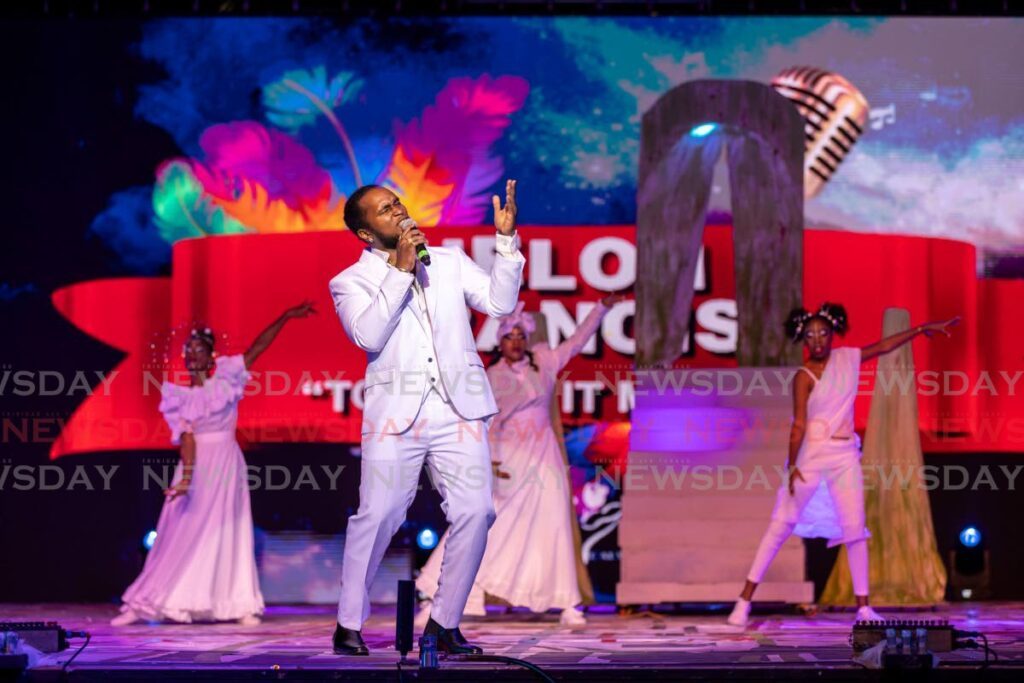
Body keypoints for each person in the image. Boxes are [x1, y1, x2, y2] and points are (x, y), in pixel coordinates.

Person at [328, 180, 525, 655]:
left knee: (477, 512)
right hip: (395, 414)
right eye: (383, 210)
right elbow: (369, 335)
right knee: (380, 514)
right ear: (365, 234)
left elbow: (500, 304)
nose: (397, 212)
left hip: (458, 407)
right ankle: (348, 622)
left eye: (396, 203)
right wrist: (401, 269)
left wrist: (505, 243)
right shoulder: (349, 281)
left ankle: (442, 624)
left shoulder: (451, 261)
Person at [727, 303, 959, 627]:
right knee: (781, 525)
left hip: (845, 455)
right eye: (811, 335)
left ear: (833, 334)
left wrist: (920, 329)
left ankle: (864, 608)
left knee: (854, 529)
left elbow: (883, 346)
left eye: (823, 333)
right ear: (803, 340)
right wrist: (792, 467)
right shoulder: (803, 376)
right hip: (810, 455)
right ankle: (744, 601)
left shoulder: (847, 359)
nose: (818, 339)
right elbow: (798, 425)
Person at [415, 295, 623, 627]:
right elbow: (483, 423)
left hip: (544, 460)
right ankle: (435, 594)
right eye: (509, 337)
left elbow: (578, 340)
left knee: (553, 528)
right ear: (501, 341)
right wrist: (487, 462)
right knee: (484, 528)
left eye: (520, 336)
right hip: (507, 462)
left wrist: (601, 307)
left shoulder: (546, 361)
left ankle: (568, 602)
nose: (516, 342)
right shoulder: (491, 374)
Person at [112, 302, 316, 626]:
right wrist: (187, 478)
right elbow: (188, 438)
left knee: (227, 531)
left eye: (199, 349)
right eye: (188, 350)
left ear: (211, 356)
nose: (193, 355)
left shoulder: (226, 379)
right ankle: (146, 602)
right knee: (180, 531)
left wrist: (285, 317)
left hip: (226, 462)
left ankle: (237, 604)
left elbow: (257, 348)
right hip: (194, 466)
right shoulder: (178, 395)